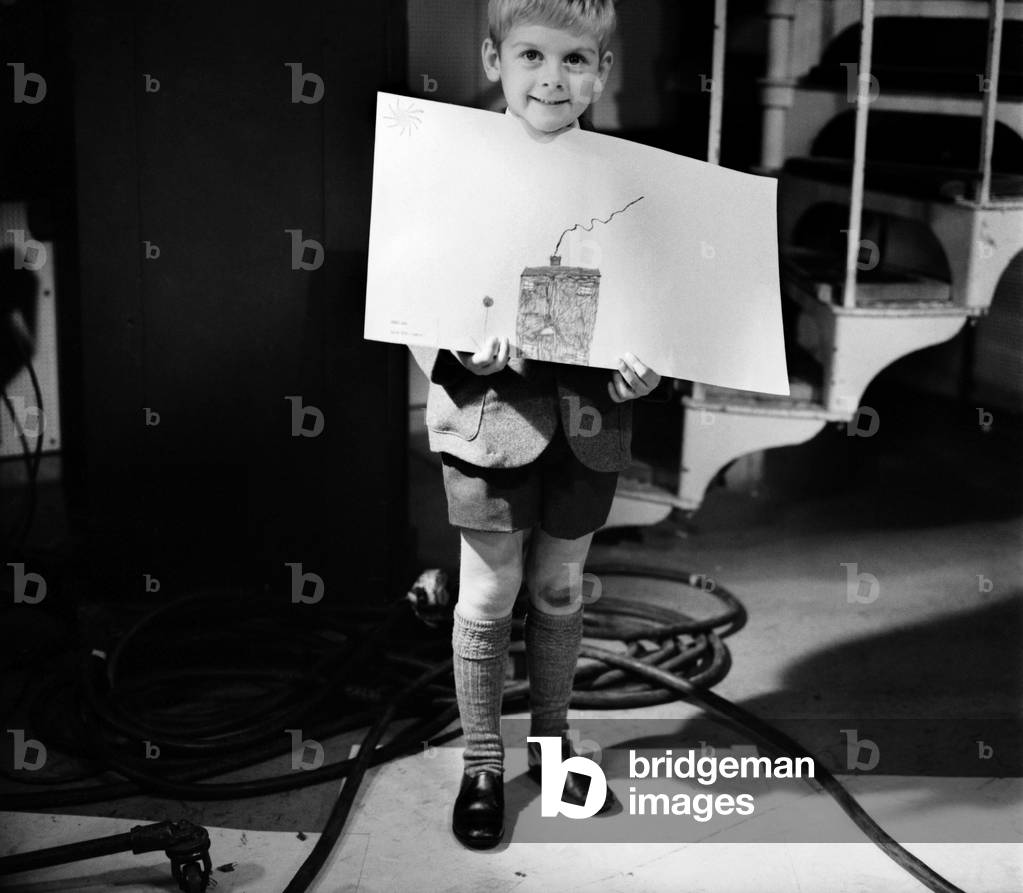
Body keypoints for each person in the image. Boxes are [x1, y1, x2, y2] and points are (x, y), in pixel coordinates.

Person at [410, 0, 662, 849]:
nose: (552, 79)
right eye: (531, 56)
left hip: (591, 420)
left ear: (601, 69)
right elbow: (415, 287)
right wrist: (457, 347)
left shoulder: (628, 182)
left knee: (558, 589)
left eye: (575, 59)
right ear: (494, 60)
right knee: (488, 591)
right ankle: (483, 760)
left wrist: (650, 367)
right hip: (488, 418)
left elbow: (655, 304)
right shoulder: (453, 171)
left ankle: (551, 749)